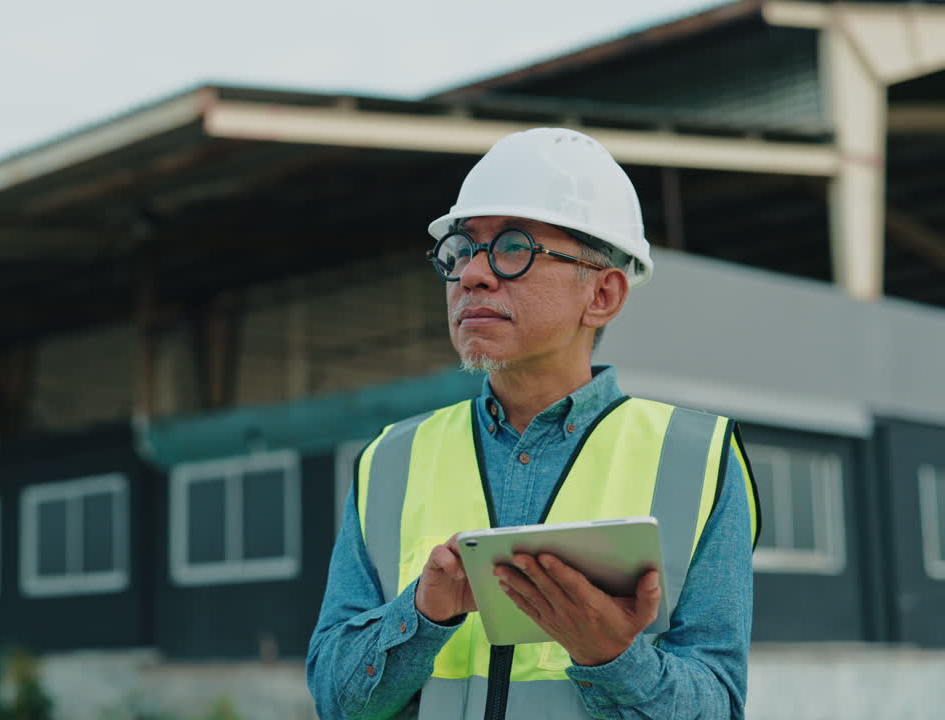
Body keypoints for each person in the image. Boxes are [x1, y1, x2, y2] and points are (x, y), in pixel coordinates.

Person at [306, 128, 760, 720]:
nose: (471, 275)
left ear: (602, 294)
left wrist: (613, 657)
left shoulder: (698, 458)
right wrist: (419, 614)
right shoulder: (390, 458)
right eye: (463, 249)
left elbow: (719, 707)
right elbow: (336, 702)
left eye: (513, 248)